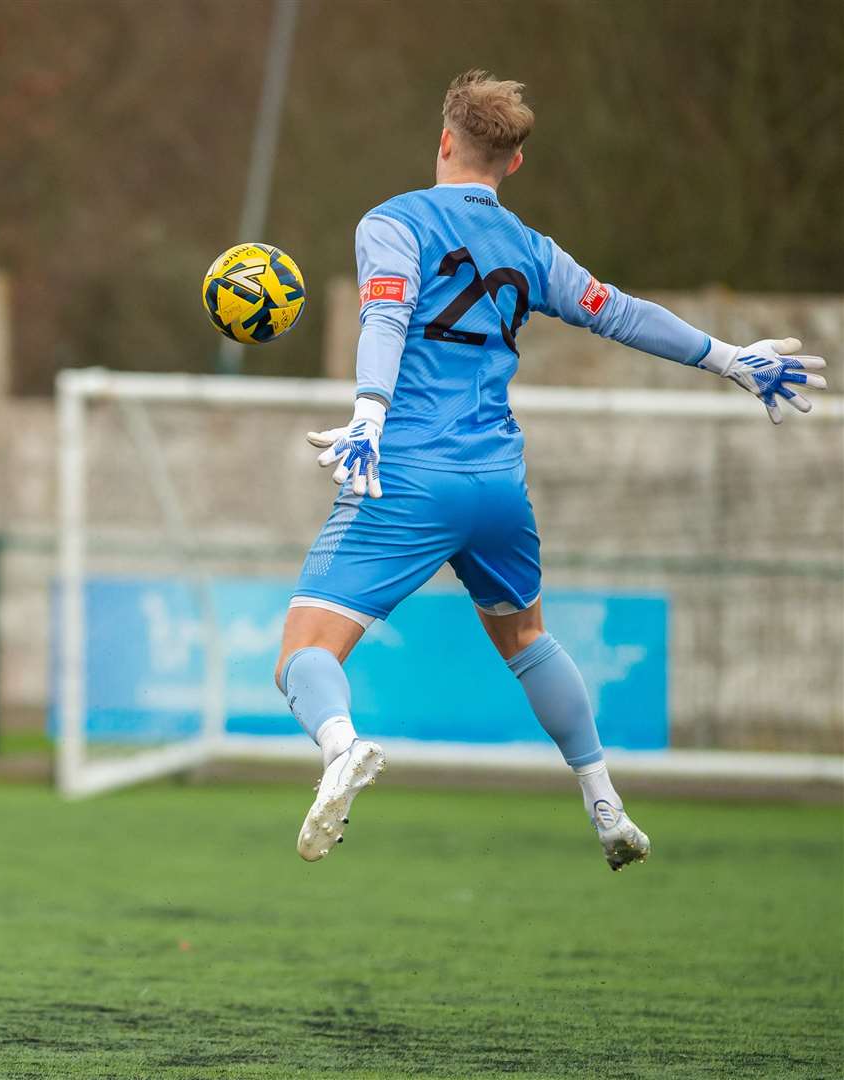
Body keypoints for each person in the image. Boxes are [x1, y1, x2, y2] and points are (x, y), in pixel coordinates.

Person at [280, 71, 828, 870]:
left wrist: (369, 412)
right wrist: (729, 360)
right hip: (496, 483)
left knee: (305, 650)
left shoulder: (392, 221)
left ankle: (340, 751)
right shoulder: (530, 249)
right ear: (514, 163)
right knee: (527, 637)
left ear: (443, 141)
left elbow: (386, 312)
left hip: (408, 474)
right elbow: (621, 313)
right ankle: (605, 806)